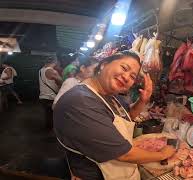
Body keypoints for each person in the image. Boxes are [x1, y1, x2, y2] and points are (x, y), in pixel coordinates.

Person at [53, 51, 176, 180]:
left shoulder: (110, 96)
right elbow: (124, 154)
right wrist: (162, 154)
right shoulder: (80, 102)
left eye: (133, 76)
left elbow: (124, 119)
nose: (127, 77)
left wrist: (143, 100)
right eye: (124, 68)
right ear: (103, 64)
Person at [39, 57, 62, 129]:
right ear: (55, 62)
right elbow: (61, 82)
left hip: (43, 96)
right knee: (54, 115)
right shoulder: (52, 71)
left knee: (48, 114)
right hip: (52, 97)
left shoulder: (40, 70)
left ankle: (48, 129)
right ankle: (54, 131)